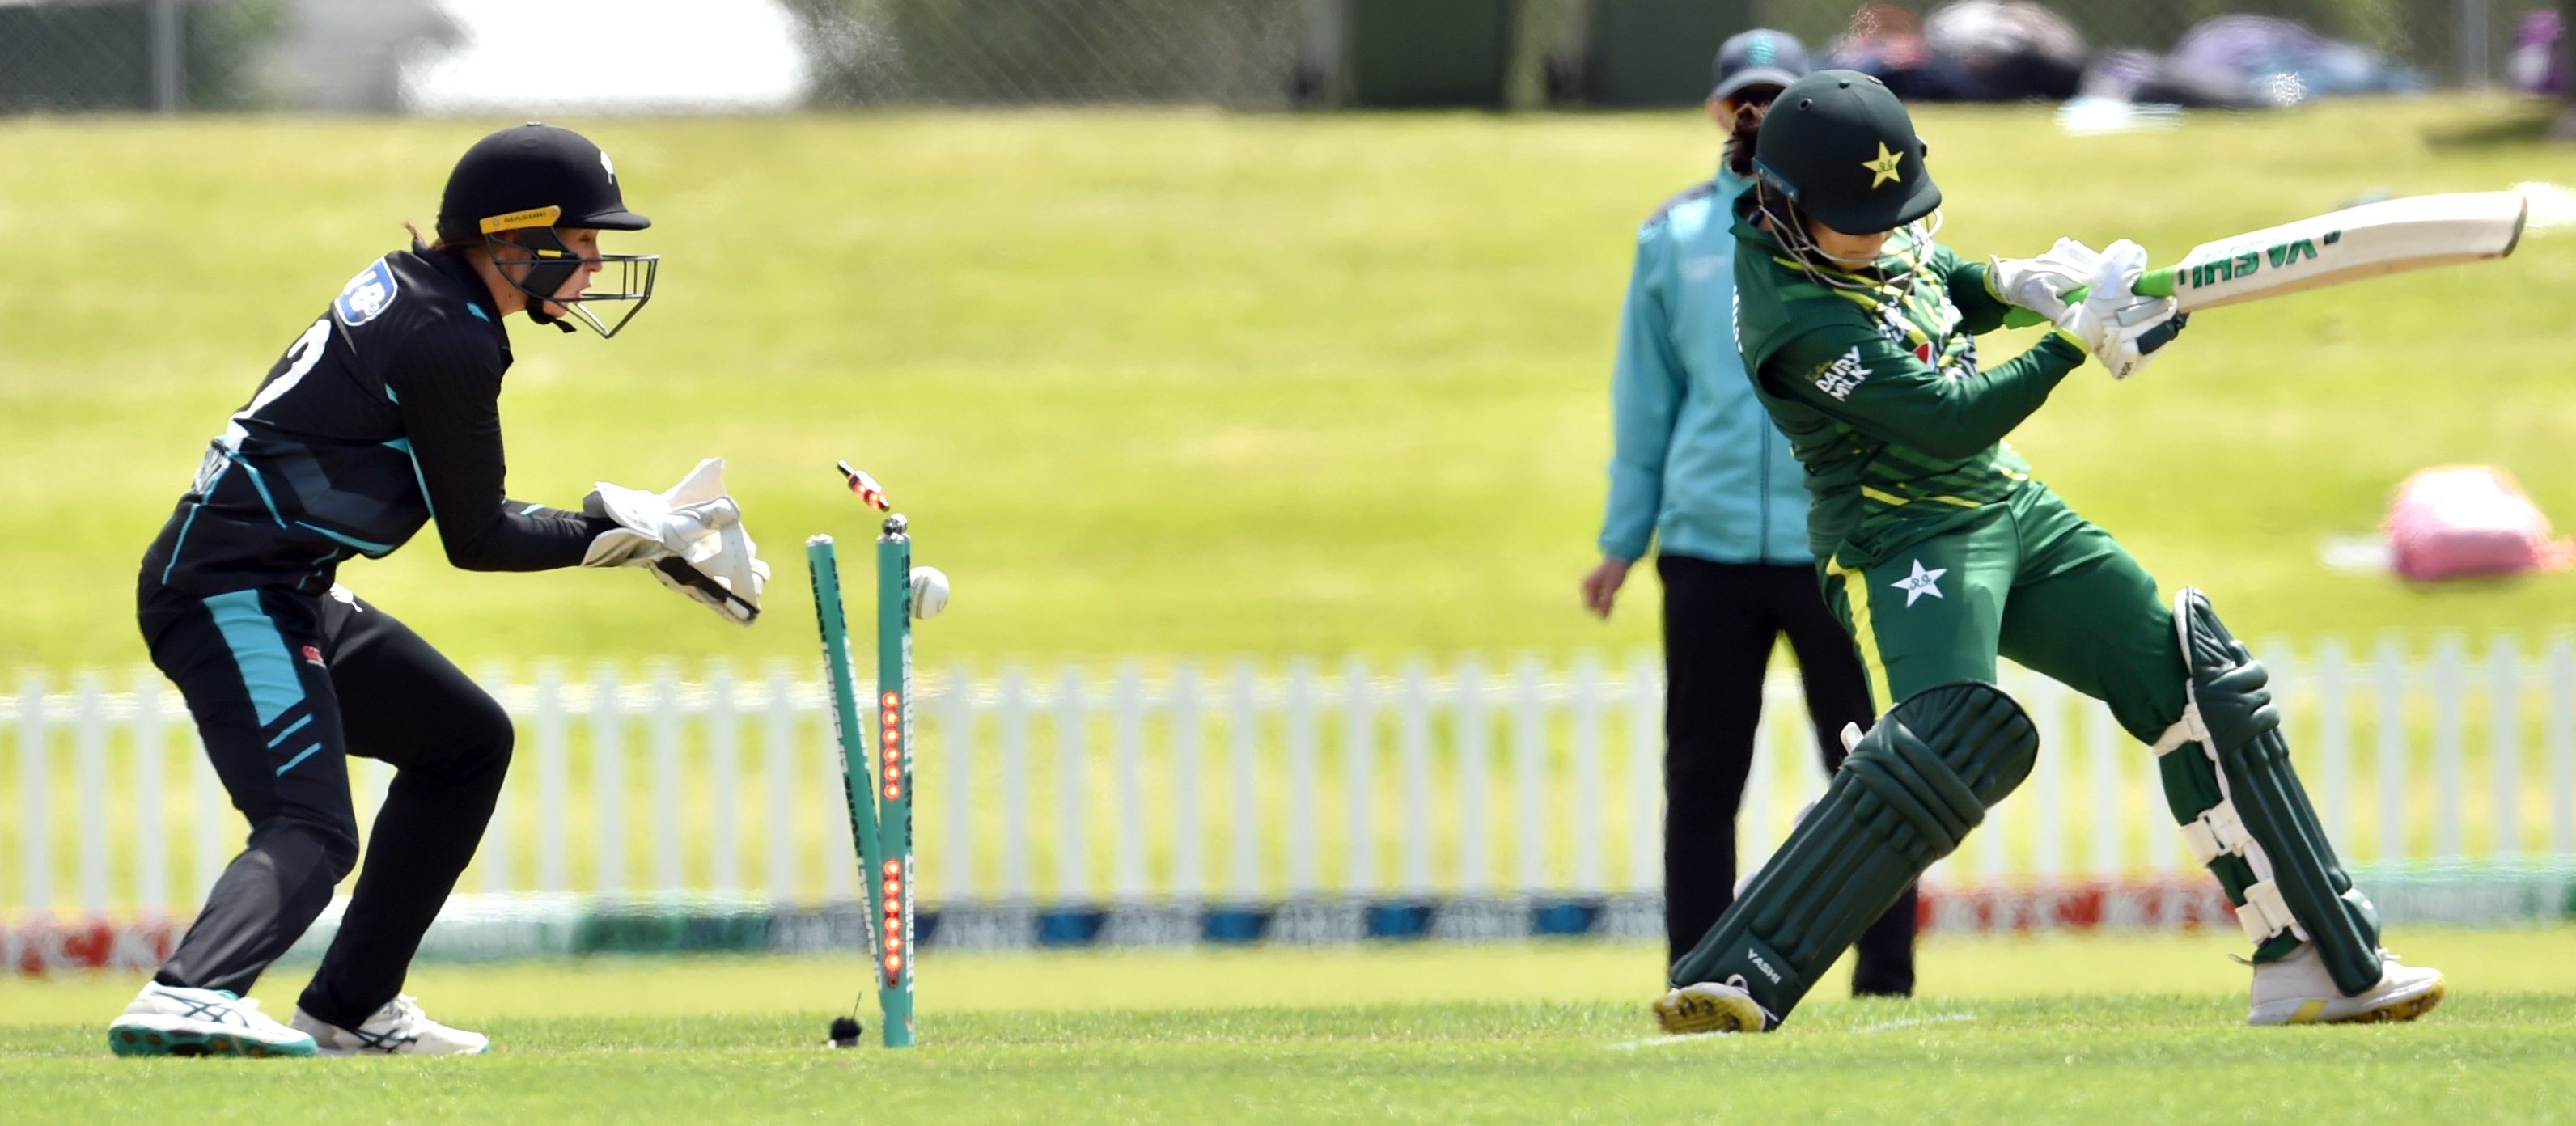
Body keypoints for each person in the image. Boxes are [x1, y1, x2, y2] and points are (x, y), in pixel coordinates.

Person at [1651, 70, 2445, 1034]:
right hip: (1899, 542)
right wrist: (2071, 341)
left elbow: (1929, 285)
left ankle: (2311, 956)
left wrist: (2011, 282)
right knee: (1938, 748)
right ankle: (1735, 976)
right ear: (1783, 205)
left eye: (1892, 211)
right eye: (1857, 219)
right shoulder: (1793, 321)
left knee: (2197, 686)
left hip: (2006, 506)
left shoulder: (1856, 232)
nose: (1880, 232)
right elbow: (1947, 417)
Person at [112, 123, 766, 1058]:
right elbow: (481, 537)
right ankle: (189, 993)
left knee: (465, 742)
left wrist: (627, 534)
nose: (590, 265)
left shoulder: (426, 298)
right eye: (577, 244)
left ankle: (351, 1007)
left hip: (283, 586)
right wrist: (626, 539)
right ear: (510, 239)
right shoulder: (447, 337)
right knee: (309, 825)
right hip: (228, 594)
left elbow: (466, 506)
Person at [1582, 28, 1915, 998]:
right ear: (1718, 112)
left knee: (1874, 771)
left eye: (1777, 95)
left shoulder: (1856, 223)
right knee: (1701, 775)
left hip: (1838, 538)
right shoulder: (1674, 236)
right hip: (1708, 547)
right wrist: (1620, 539)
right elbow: (1646, 401)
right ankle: (1697, 973)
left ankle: (1883, 981)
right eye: (1743, 99)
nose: (1757, 113)